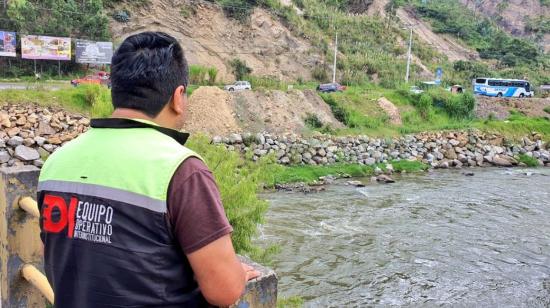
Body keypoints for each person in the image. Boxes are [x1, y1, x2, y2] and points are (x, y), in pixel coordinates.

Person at [37, 31, 259, 307]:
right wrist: (235, 274)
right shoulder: (182, 170)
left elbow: (56, 256)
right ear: (178, 97)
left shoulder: (57, 162)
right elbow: (224, 291)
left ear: (116, 90)